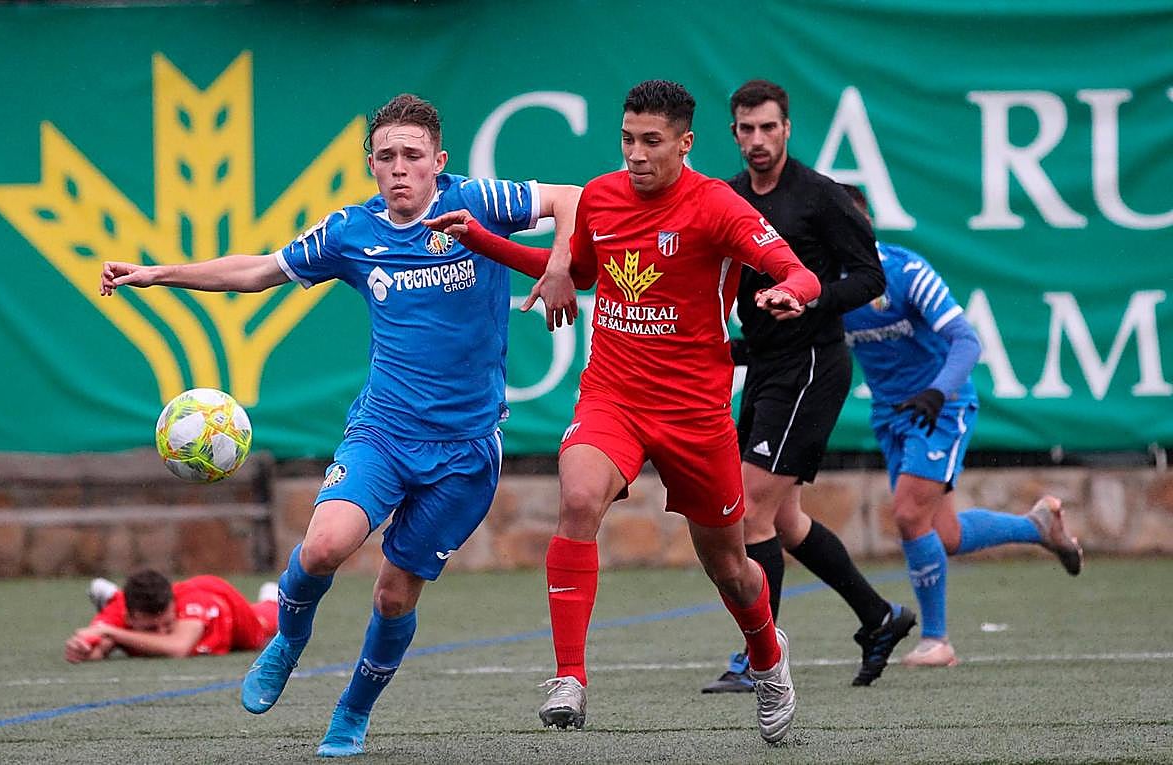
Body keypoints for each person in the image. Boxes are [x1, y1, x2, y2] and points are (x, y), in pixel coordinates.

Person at [100, 93, 581, 758]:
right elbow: (257, 270)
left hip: (466, 452)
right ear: (372, 166)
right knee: (324, 545)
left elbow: (571, 197)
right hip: (382, 432)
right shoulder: (351, 233)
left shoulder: (479, 202)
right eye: (386, 157)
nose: (400, 167)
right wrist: (158, 273)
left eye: (414, 155)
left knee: (392, 593)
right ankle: (288, 640)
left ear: (438, 161)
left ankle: (352, 711)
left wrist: (558, 262)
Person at [427, 80, 820, 744]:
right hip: (613, 394)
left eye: (651, 142)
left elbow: (793, 268)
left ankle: (767, 657)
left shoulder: (716, 206)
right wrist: (482, 238)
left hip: (695, 414)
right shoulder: (602, 195)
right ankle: (569, 677)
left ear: (685, 144)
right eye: (627, 139)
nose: (635, 154)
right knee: (578, 497)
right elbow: (580, 273)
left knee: (729, 565)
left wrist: (792, 292)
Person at [703, 78, 914, 693]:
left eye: (769, 127)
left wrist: (810, 297)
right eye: (746, 129)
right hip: (767, 367)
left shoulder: (819, 196)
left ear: (787, 128)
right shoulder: (730, 196)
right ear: (734, 132)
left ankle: (758, 659)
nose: (758, 140)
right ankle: (879, 617)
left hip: (814, 365)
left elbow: (869, 277)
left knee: (749, 511)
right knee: (785, 520)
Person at [839, 183, 1084, 667]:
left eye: (854, 224)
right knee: (943, 534)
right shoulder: (826, 285)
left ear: (868, 225)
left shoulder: (906, 271)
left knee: (909, 515)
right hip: (892, 415)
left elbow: (966, 340)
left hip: (941, 406)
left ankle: (937, 640)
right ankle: (1037, 527)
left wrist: (938, 391)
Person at [64, 570, 278, 663]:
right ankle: (112, 595)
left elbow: (178, 648)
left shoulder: (195, 600)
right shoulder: (119, 612)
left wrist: (111, 632)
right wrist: (83, 651)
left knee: (271, 622)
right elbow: (98, 647)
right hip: (122, 611)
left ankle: (270, 598)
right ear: (129, 617)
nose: (162, 632)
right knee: (114, 612)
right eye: (151, 628)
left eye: (168, 623)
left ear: (173, 604)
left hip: (227, 613)